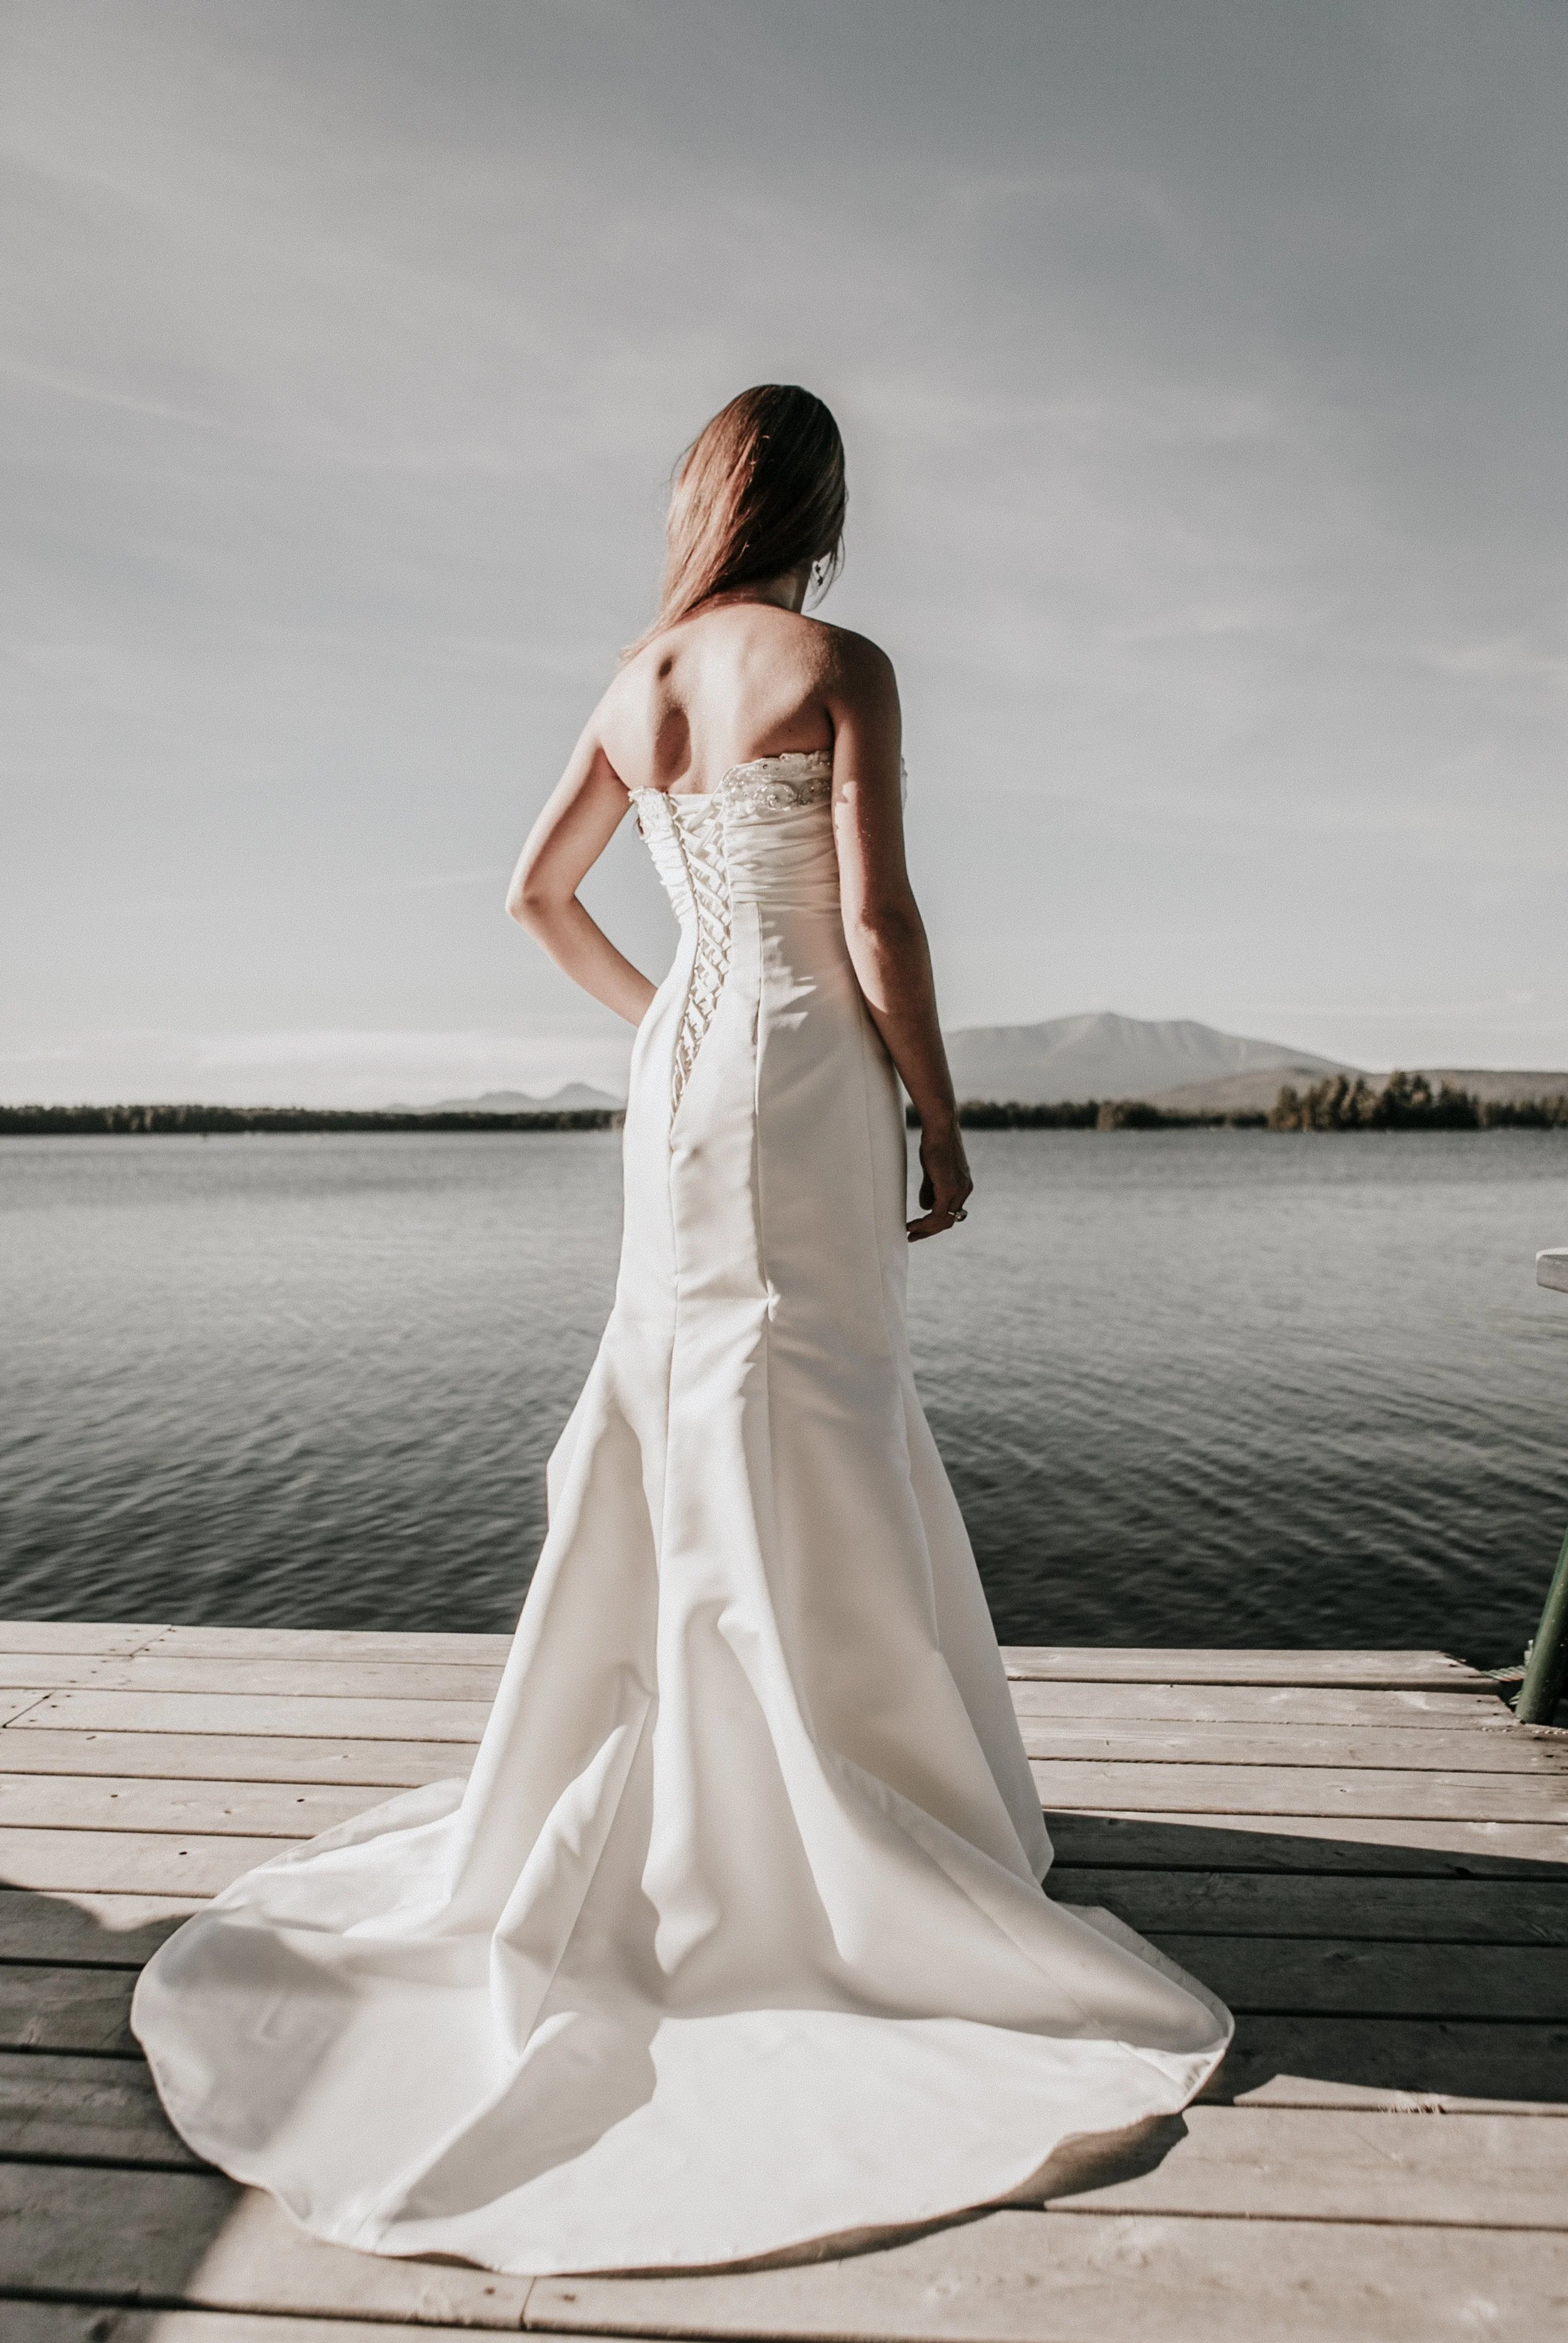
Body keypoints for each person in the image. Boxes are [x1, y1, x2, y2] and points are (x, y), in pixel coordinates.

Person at [132, 385, 1230, 2275]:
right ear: (820, 506)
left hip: (685, 1068)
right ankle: (826, 1807)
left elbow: (529, 894)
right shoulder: (839, 657)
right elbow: (873, 912)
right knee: (814, 1402)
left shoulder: (633, 680)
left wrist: (662, 1016)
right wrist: (944, 1114)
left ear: (705, 502)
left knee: (689, 1401)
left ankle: (695, 1791)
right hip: (806, 1068)